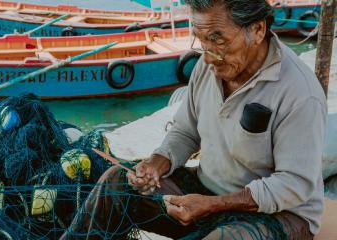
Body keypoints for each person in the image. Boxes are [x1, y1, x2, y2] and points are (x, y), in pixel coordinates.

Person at [60, 0, 327, 239]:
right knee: (117, 180)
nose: (209, 57)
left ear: (257, 30)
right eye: (201, 41)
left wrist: (212, 205)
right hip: (207, 191)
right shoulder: (208, 66)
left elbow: (294, 185)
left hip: (279, 215)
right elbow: (186, 131)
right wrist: (156, 163)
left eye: (218, 40)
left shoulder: (299, 92)